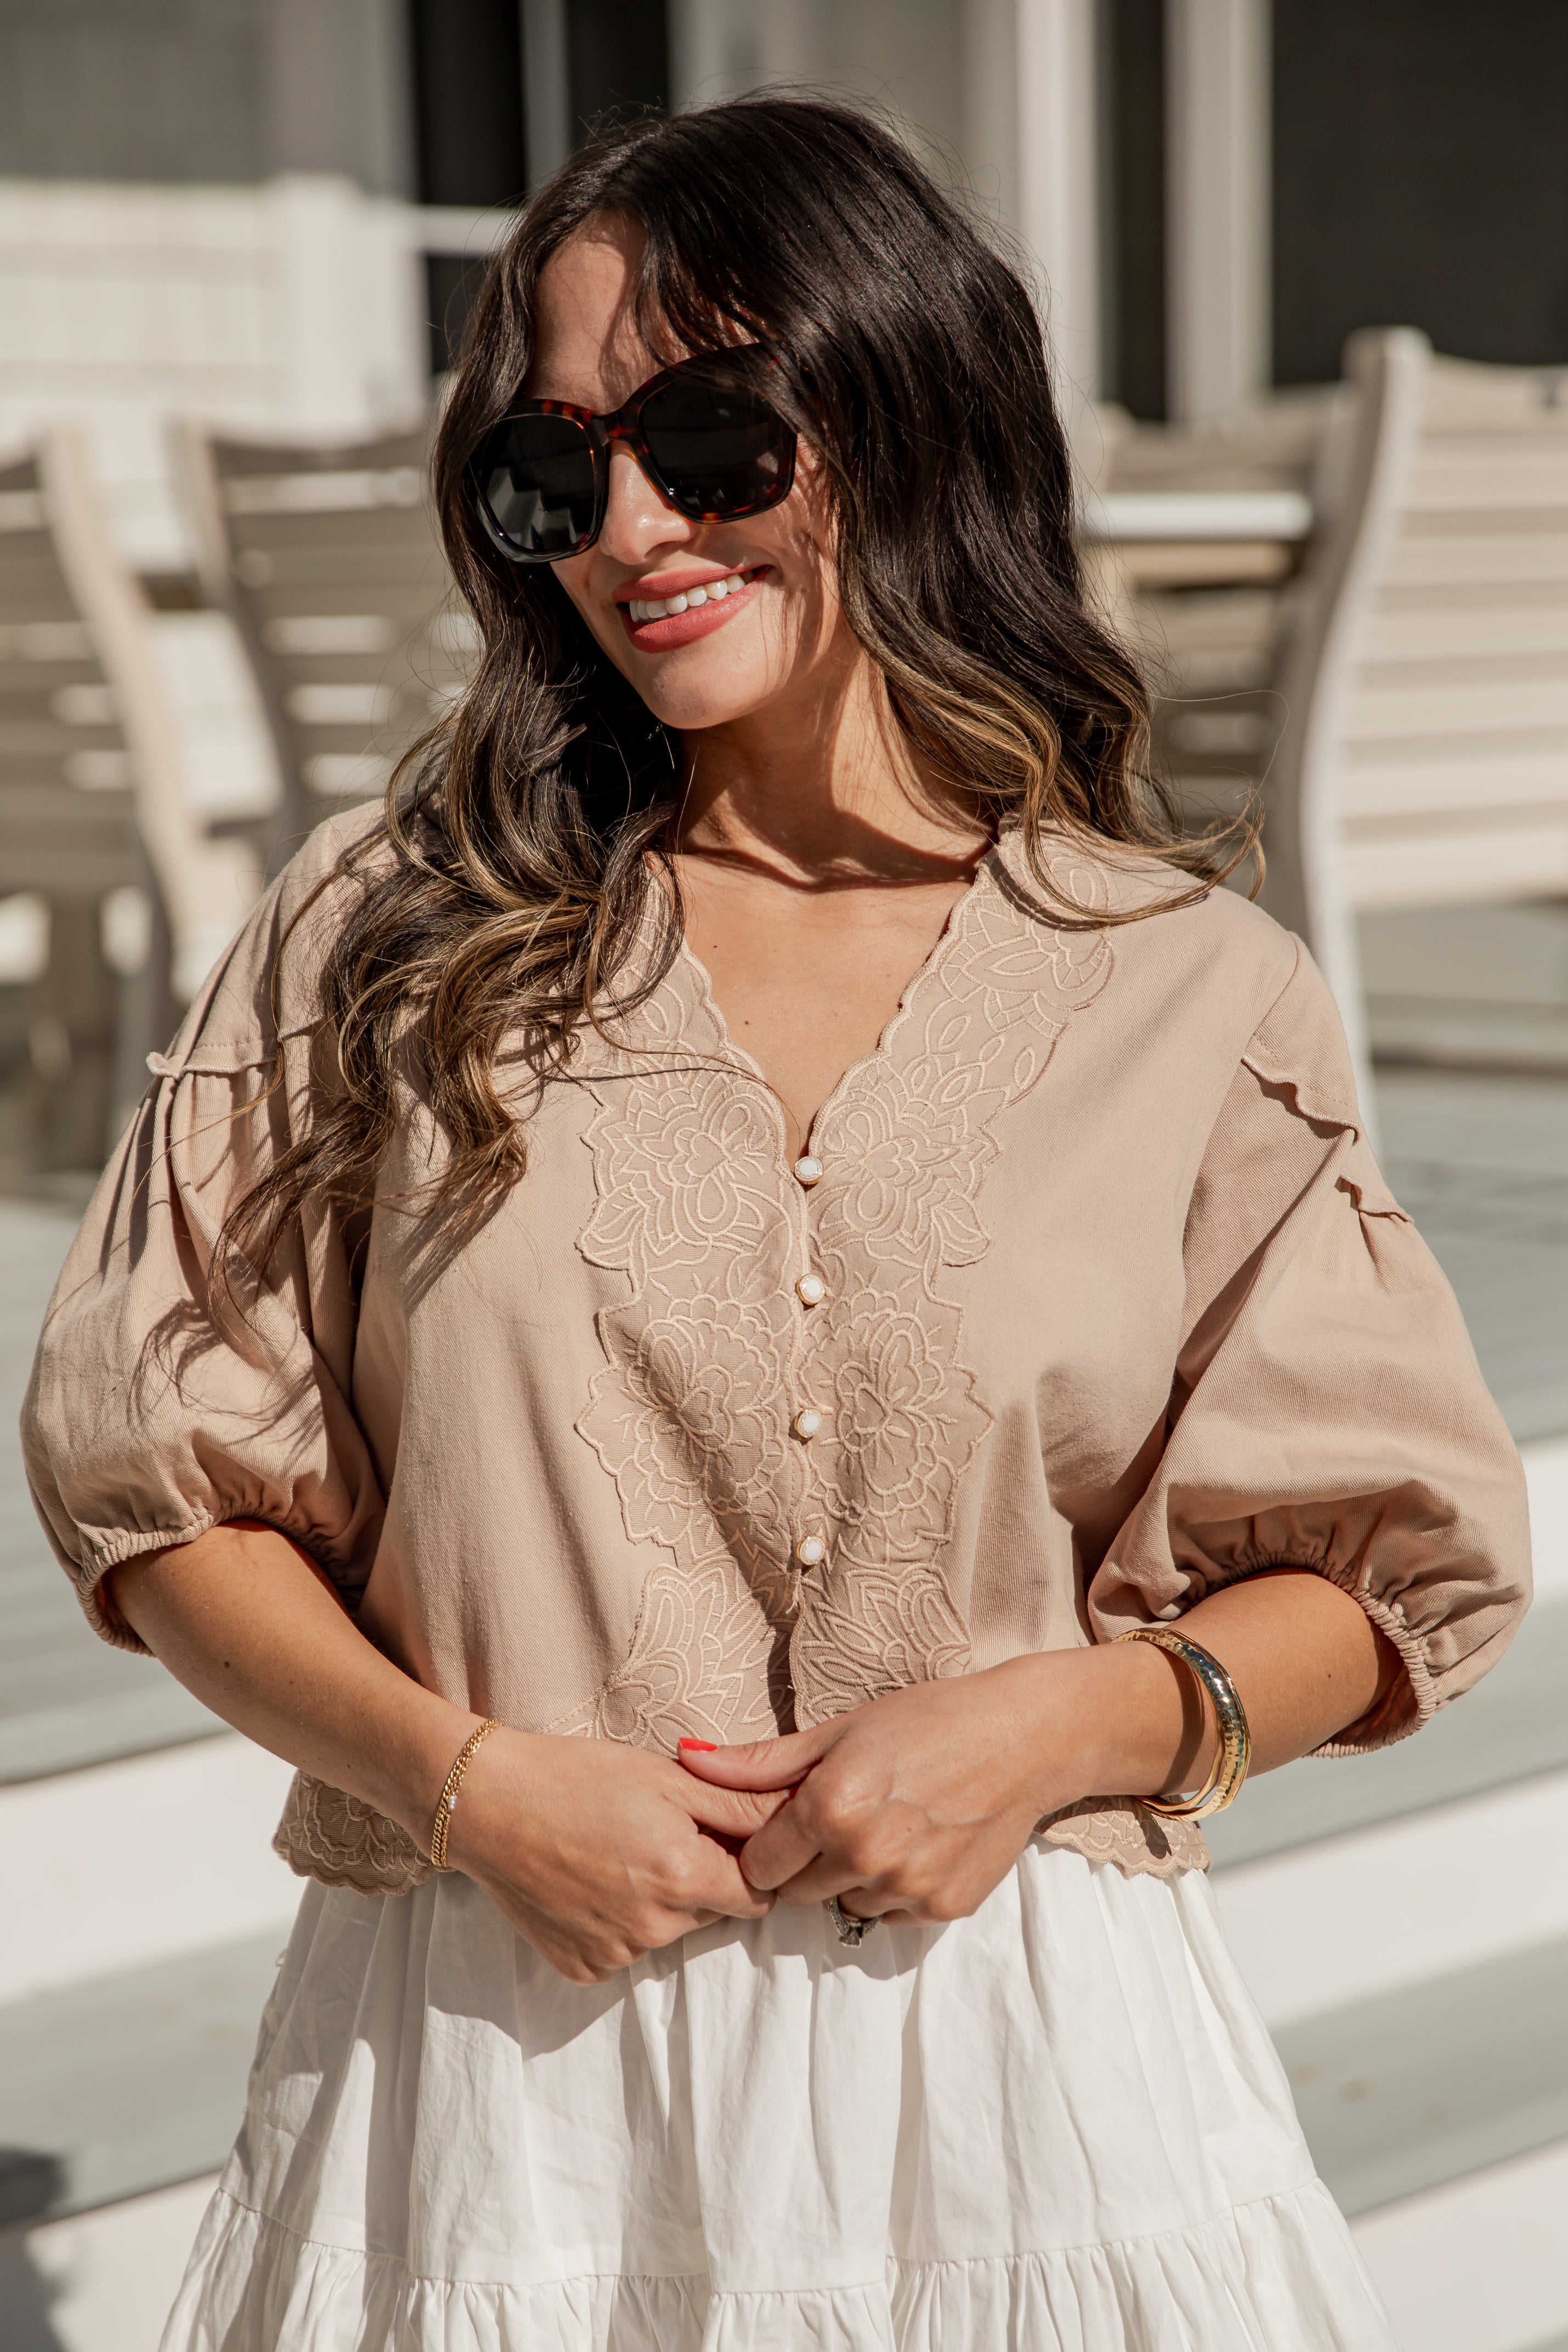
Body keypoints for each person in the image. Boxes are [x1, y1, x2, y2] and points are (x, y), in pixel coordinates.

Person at [25, 96, 1529, 2352]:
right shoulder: (386, 933)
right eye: (555, 475)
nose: (632, 528)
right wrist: (472, 1786)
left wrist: (1074, 1721)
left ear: (909, 420)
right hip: (497, 2070)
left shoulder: (1188, 991)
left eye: (716, 441)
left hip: (1024, 2078)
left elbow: (1392, 1574)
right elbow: (152, 1496)